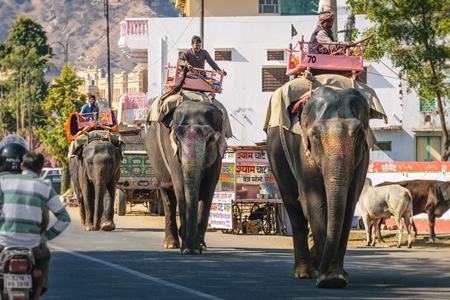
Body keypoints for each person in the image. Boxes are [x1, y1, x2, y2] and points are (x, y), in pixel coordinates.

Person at [0, 146, 71, 300]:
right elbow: (64, 219)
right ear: (40, 170)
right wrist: (44, 238)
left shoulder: (2, 181)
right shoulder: (45, 186)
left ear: (21, 166)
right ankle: (36, 296)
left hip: (3, 242)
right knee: (44, 259)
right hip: (32, 245)